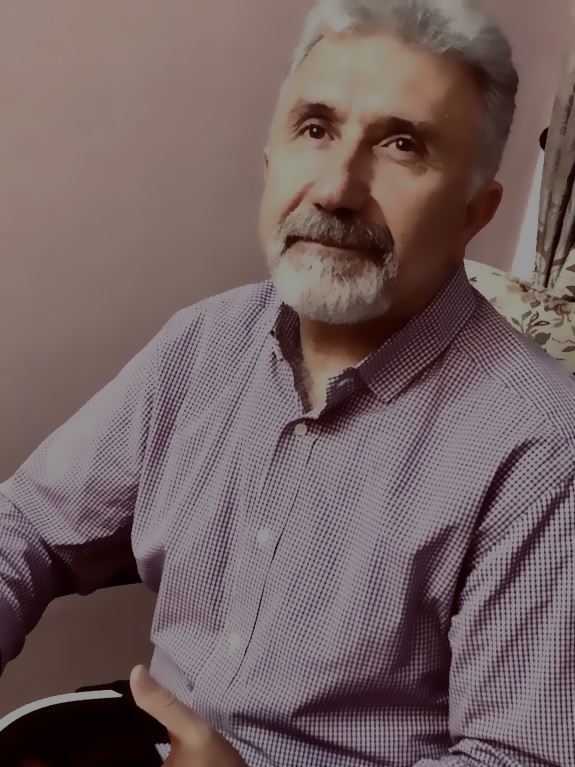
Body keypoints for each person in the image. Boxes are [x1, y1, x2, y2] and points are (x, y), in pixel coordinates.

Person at [0, 0, 574, 764]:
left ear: (474, 211)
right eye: (315, 129)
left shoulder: (542, 453)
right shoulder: (205, 342)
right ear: (271, 160)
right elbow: (28, 523)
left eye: (402, 144)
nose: (336, 187)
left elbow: (523, 756)